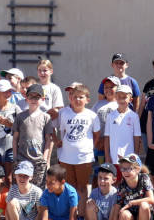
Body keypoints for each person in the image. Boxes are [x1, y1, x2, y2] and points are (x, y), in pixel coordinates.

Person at [57, 83, 101, 217]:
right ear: (70, 98)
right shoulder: (64, 113)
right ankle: (72, 215)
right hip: (66, 157)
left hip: (84, 157)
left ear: (87, 99)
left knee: (82, 188)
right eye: (75, 97)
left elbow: (96, 135)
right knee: (69, 188)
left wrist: (88, 148)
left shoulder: (92, 116)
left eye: (81, 97)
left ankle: (81, 215)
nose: (77, 100)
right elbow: (62, 132)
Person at [12, 84, 55, 187]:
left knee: (38, 189)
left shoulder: (46, 117)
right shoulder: (20, 117)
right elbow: (15, 138)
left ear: (42, 99)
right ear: (26, 98)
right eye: (31, 96)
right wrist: (15, 157)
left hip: (38, 161)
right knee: (21, 187)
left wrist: (45, 159)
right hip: (22, 159)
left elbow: (48, 140)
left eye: (37, 97)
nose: (34, 99)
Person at [0, 80, 21, 177]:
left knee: (9, 178)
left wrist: (8, 123)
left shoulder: (16, 109)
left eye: (9, 91)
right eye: (5, 91)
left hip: (11, 147)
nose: (8, 94)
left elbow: (22, 129)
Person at [105, 84, 142, 166]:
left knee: (128, 178)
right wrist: (107, 156)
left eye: (124, 97)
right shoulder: (110, 116)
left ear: (130, 99)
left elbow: (137, 138)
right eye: (119, 96)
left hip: (129, 158)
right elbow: (107, 137)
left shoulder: (134, 116)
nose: (121, 99)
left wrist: (135, 155)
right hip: (114, 158)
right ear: (115, 98)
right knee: (116, 178)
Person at [111, 154, 154, 220]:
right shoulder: (122, 185)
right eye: (123, 169)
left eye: (128, 169)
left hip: (144, 213)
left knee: (144, 205)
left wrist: (132, 202)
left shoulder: (144, 178)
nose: (125, 172)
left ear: (138, 169)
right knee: (124, 213)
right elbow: (117, 207)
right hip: (129, 214)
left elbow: (151, 199)